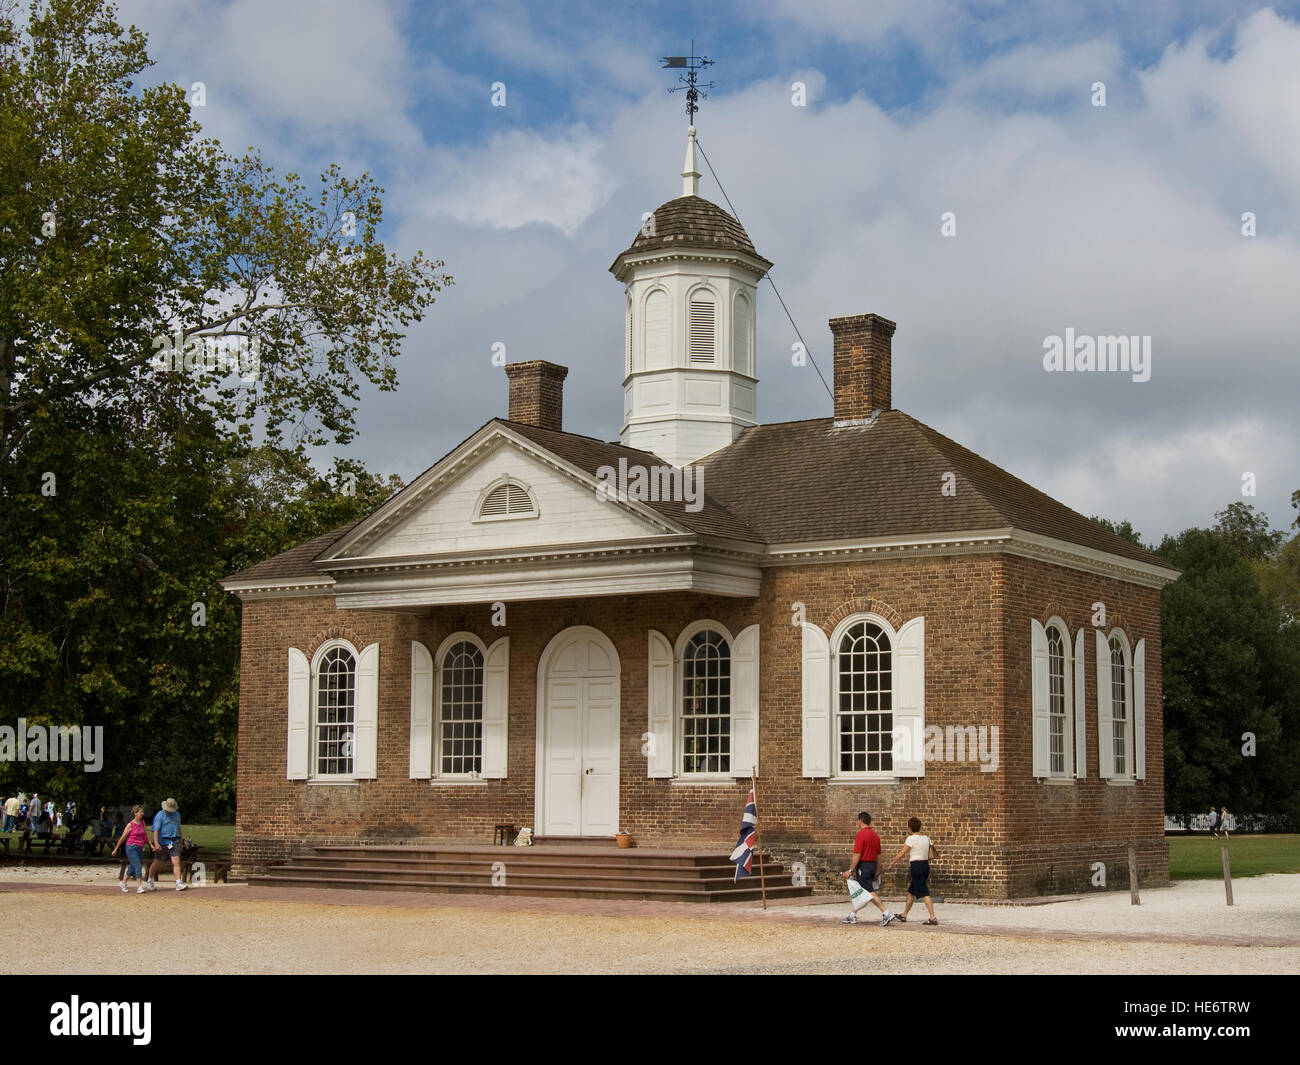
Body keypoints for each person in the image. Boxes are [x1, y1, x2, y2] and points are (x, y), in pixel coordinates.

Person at [841, 811, 896, 927]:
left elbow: (857, 854)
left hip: (864, 866)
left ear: (860, 821)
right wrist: (878, 869)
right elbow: (878, 855)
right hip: (872, 865)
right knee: (861, 891)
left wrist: (850, 870)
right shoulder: (875, 836)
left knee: (868, 892)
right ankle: (852, 914)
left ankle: (886, 913)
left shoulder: (861, 835)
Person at [887, 816, 940, 925]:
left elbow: (902, 853)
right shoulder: (927, 838)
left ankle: (933, 917)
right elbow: (935, 853)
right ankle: (904, 915)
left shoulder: (911, 838)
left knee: (924, 892)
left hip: (917, 866)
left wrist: (892, 863)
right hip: (925, 865)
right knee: (912, 892)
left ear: (910, 827)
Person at [146, 798, 188, 891]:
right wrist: (156, 842)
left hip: (174, 841)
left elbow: (178, 827)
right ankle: (150, 880)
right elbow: (156, 830)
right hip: (163, 842)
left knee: (176, 860)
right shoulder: (160, 815)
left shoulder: (177, 815)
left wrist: (181, 839)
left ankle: (178, 882)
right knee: (157, 862)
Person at [111, 805, 151, 893]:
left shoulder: (142, 823)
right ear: (135, 813)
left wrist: (150, 845)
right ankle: (140, 886)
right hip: (131, 847)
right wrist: (115, 849)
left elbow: (145, 835)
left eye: (142, 812)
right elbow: (122, 838)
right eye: (140, 812)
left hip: (140, 848)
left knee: (133, 866)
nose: (142, 814)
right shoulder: (130, 825)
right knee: (137, 866)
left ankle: (123, 882)